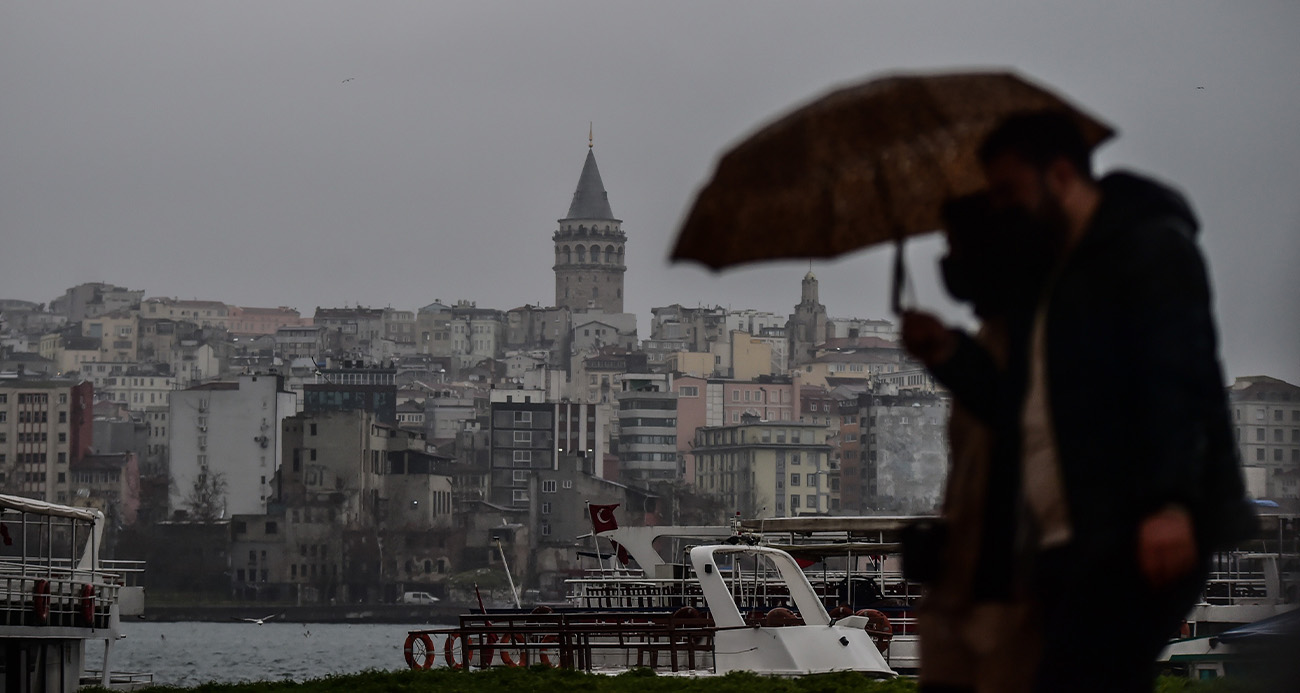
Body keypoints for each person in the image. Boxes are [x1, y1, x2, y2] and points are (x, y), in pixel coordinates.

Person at [902, 112, 1256, 693]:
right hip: (1073, 541)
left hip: (1133, 530)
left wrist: (1168, 504)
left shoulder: (1146, 247)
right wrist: (947, 353)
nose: (1002, 209)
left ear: (1061, 175)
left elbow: (1176, 379)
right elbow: (1018, 409)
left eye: (1009, 191)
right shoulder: (1055, 279)